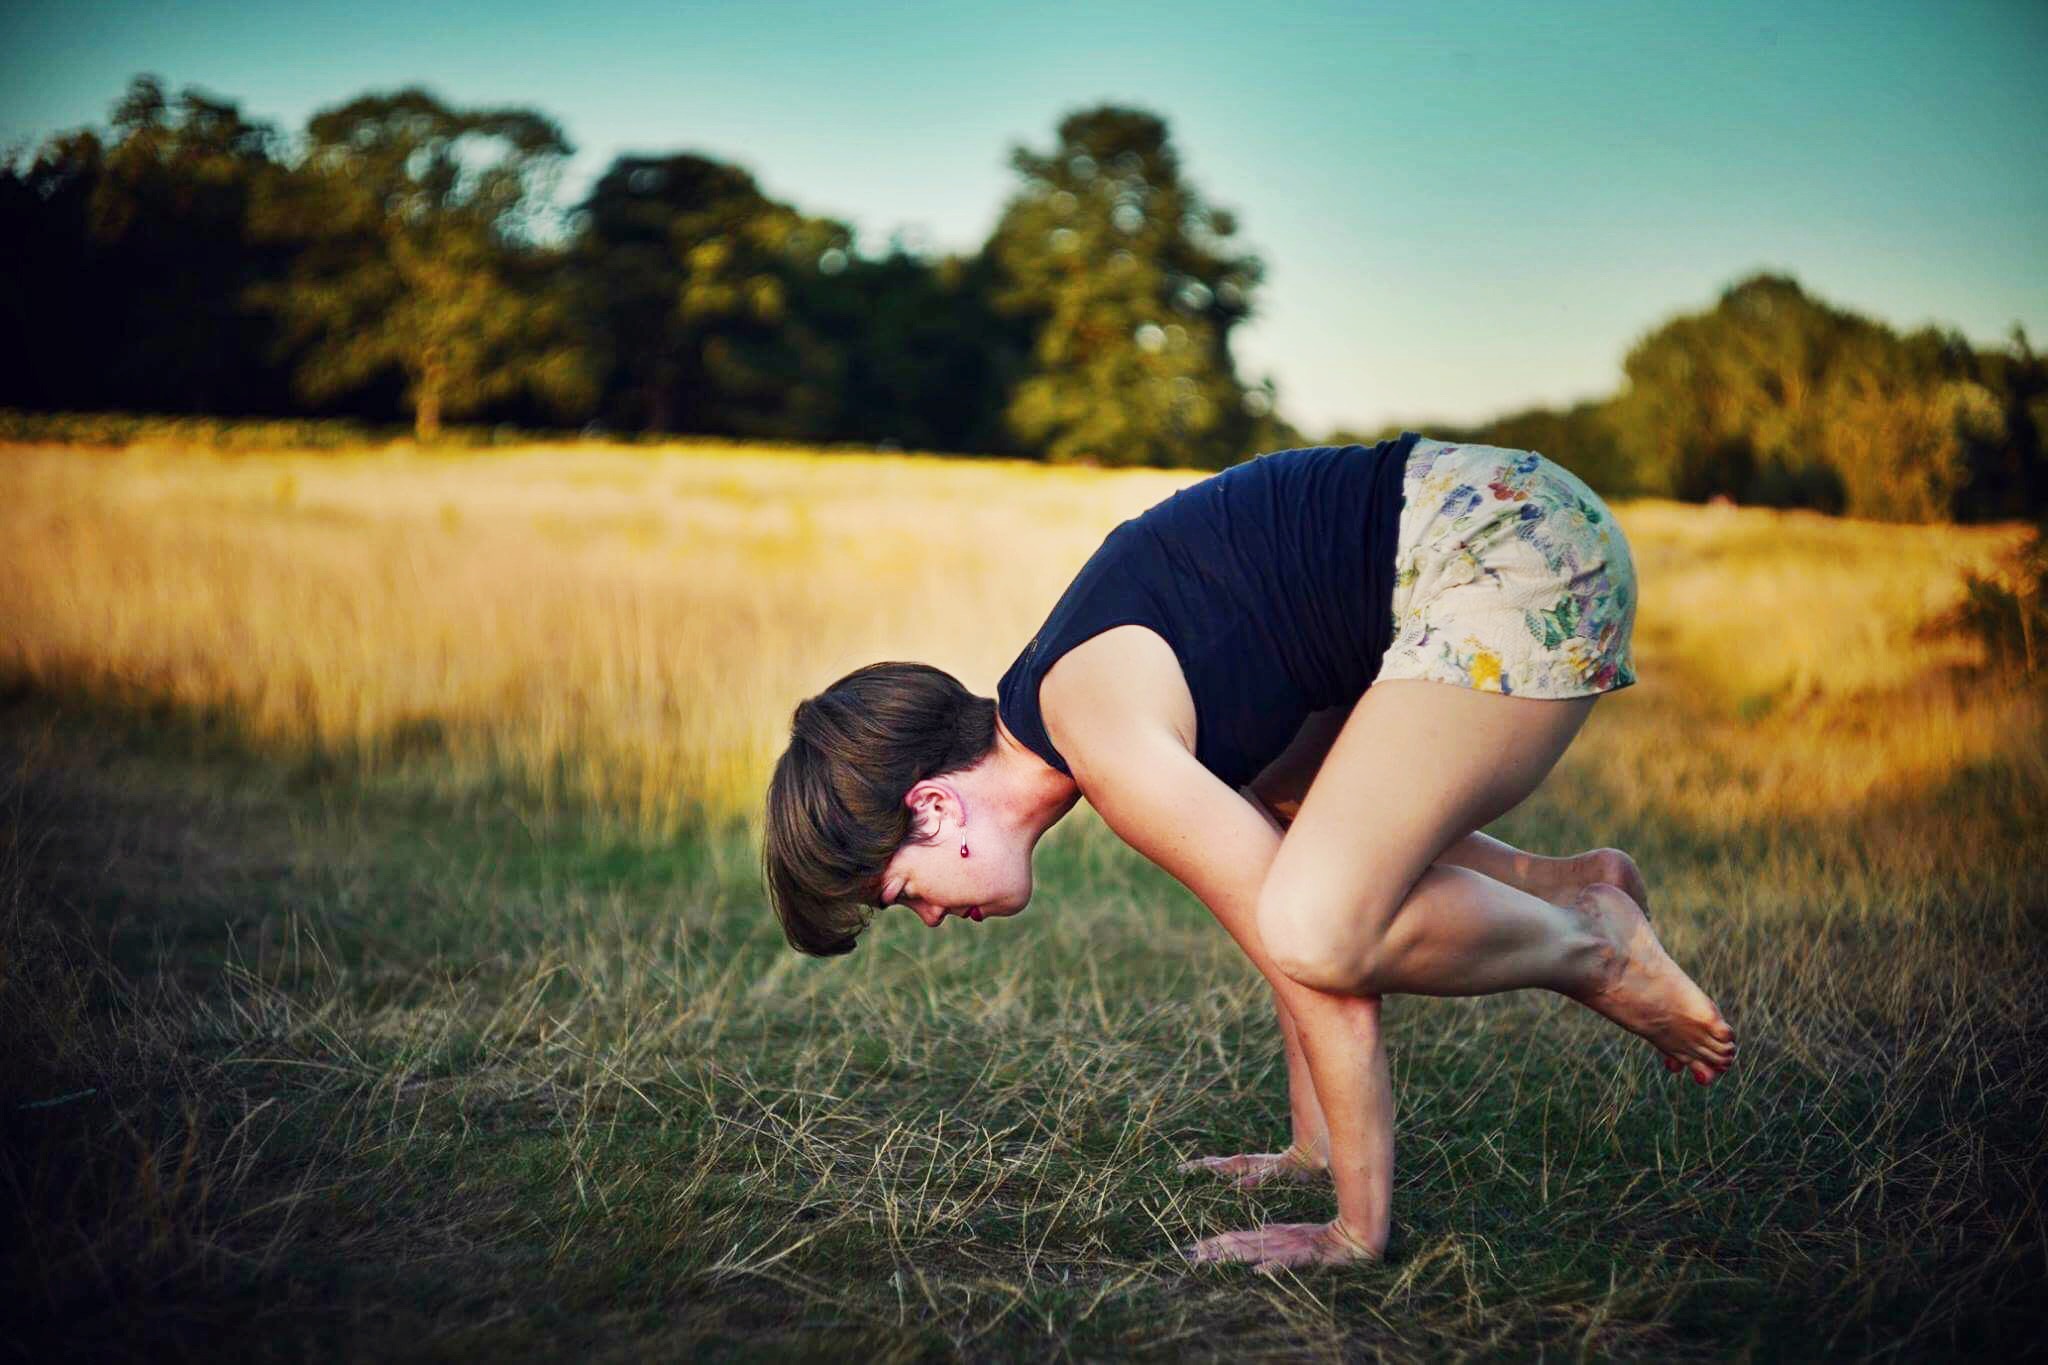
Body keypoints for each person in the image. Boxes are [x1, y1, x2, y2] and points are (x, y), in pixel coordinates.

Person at [762, 432, 1736, 1272]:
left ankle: (1592, 949)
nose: (932, 917)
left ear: (930, 807)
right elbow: (1269, 881)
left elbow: (1313, 964)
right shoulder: (1075, 703)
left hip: (1504, 554)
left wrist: (1350, 1231)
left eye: (902, 895)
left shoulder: (1089, 726)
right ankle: (1562, 884)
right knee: (1293, 855)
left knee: (1317, 925)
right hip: (1508, 526)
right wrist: (1308, 1150)